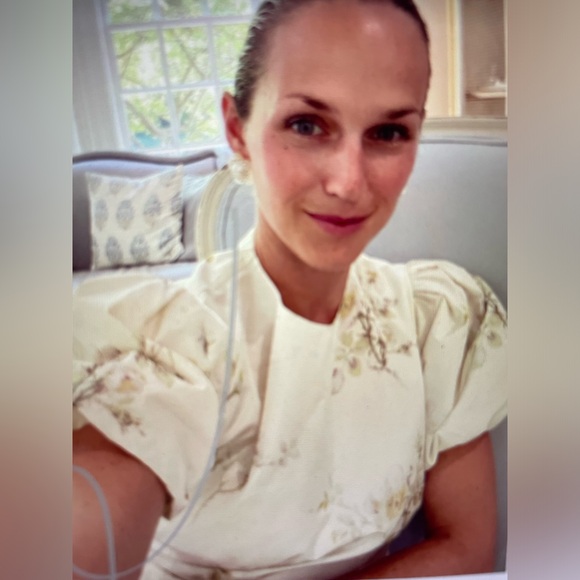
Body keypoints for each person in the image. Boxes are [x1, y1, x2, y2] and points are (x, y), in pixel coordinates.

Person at [73, 0, 507, 578]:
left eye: (388, 132)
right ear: (238, 130)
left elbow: (467, 546)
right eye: (306, 125)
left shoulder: (438, 324)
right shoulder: (168, 343)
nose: (348, 182)